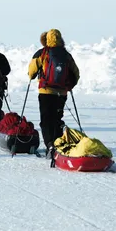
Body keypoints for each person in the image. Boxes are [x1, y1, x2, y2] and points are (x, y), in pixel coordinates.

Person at [28, 29, 80, 159]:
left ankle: (50, 145)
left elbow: (31, 72)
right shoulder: (66, 55)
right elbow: (76, 73)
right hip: (61, 93)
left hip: (46, 92)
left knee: (46, 120)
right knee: (57, 119)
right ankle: (58, 144)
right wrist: (69, 86)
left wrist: (33, 75)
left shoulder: (42, 53)